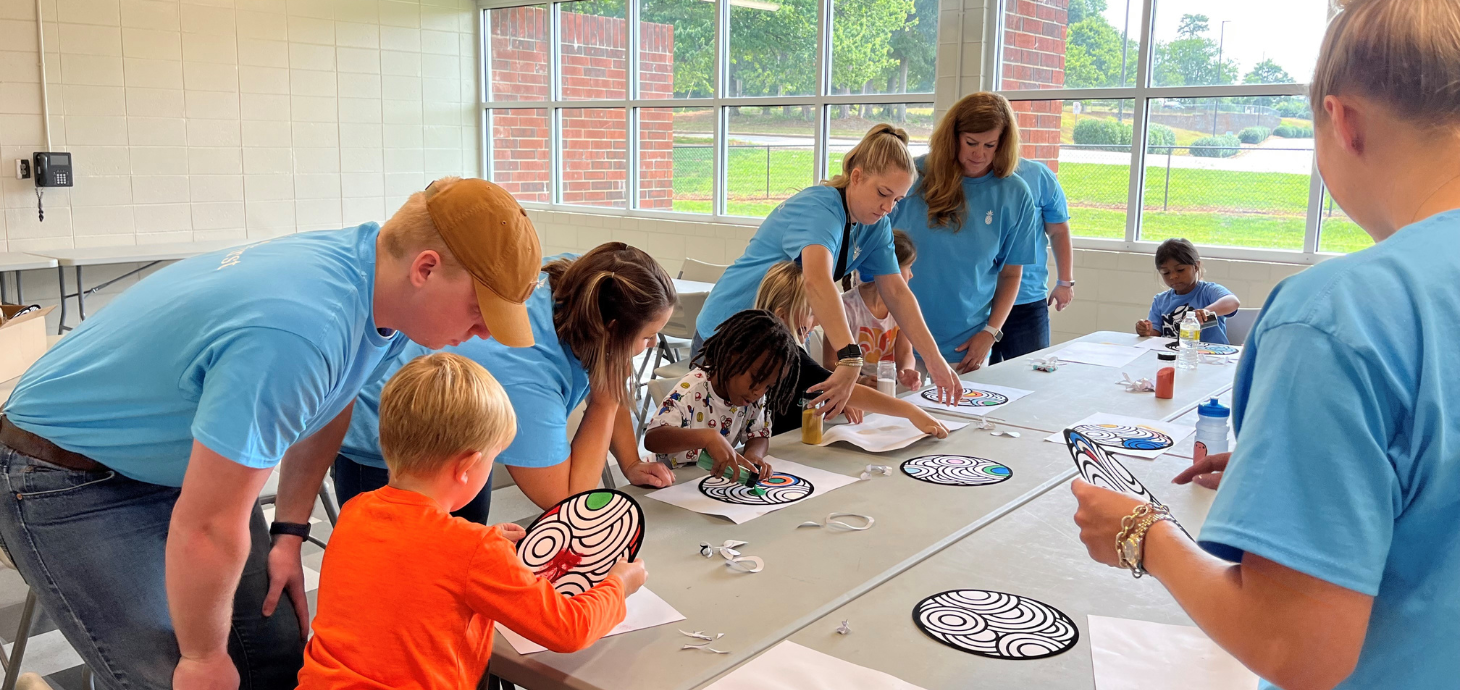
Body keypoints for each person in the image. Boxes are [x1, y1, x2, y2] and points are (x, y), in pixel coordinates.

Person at [0, 178, 543, 689]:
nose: (484, 331)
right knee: (177, 675)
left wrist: (289, 529)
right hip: (64, 468)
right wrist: (203, 656)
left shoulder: (378, 280)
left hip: (176, 458)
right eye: (478, 310)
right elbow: (210, 522)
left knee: (276, 652)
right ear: (426, 269)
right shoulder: (299, 331)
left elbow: (335, 395)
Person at [1072, 1, 1460, 688]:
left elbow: (1296, 646)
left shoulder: (1340, 313)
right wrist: (1298, 471)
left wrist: (1143, 536)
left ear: (1344, 122)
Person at [298, 352, 644, 689]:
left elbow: (408, 561)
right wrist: (619, 584)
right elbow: (569, 630)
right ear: (467, 467)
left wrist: (479, 544)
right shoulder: (475, 549)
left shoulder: (357, 511)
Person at [337, 243, 677, 514]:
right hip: (391, 445)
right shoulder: (526, 373)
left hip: (462, 432)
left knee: (459, 559)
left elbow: (608, 371)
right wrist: (603, 403)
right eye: (648, 336)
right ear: (611, 331)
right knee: (412, 582)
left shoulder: (587, 286)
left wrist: (629, 462)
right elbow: (569, 502)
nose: (651, 346)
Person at [695, 124, 962, 419]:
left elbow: (897, 292)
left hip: (782, 335)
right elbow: (817, 279)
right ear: (857, 177)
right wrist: (849, 358)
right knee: (719, 430)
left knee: (774, 427)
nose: (888, 207)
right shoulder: (819, 208)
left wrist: (935, 359)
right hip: (729, 329)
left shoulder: (876, 224)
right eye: (883, 193)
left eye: (896, 200)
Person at [890, 93, 1041, 373]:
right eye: (971, 142)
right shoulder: (914, 176)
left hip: (963, 347)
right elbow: (874, 251)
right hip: (896, 339)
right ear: (953, 137)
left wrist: (991, 332)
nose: (979, 154)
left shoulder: (1014, 193)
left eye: (989, 145)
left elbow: (1011, 273)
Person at [753, 262, 949, 438]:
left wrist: (842, 398)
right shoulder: (785, 356)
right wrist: (910, 411)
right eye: (812, 313)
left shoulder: (761, 343)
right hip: (782, 452)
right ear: (782, 316)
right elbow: (843, 387)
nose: (819, 320)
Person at [644, 309, 802, 481]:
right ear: (729, 356)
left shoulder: (753, 397)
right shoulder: (692, 390)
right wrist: (707, 438)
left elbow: (758, 434)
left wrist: (754, 454)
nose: (759, 391)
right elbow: (653, 438)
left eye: (768, 386)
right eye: (756, 378)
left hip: (713, 482)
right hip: (672, 482)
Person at [990, 158, 1075, 363]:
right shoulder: (969, 175)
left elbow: (1058, 231)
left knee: (1031, 376)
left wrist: (1065, 282)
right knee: (975, 382)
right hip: (978, 299)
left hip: (1026, 299)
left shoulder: (1037, 175)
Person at [820, 229, 922, 391]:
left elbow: (905, 353)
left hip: (886, 390)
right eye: (908, 267)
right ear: (889, 269)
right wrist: (860, 381)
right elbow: (830, 363)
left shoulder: (902, 307)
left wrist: (907, 370)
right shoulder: (844, 307)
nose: (911, 275)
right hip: (850, 393)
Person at [1135, 238, 1240, 344]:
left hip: (1211, 356)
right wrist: (1146, 331)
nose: (1173, 276)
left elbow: (1232, 301)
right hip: (1174, 355)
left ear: (1196, 266)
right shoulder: (1160, 301)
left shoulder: (1208, 291)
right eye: (1166, 272)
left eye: (1180, 270)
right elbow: (1155, 335)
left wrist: (1207, 311)